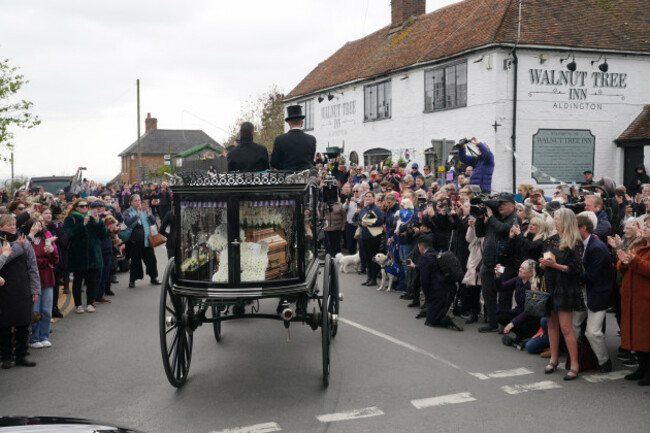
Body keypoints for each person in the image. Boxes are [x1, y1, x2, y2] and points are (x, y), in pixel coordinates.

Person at [539, 208, 584, 381]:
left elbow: (576, 269)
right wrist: (543, 265)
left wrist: (555, 265)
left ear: (566, 221)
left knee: (566, 327)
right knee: (551, 325)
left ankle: (574, 364)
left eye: (557, 219)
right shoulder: (550, 240)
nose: (555, 222)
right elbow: (542, 264)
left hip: (565, 287)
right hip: (550, 284)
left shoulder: (575, 242)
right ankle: (554, 359)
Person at [574, 214, 616, 373]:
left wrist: (568, 272)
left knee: (592, 332)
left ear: (583, 228)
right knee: (573, 325)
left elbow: (592, 276)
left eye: (574, 228)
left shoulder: (596, 247)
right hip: (587, 292)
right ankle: (580, 356)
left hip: (599, 294)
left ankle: (604, 361)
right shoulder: (583, 243)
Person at [475, 193, 520, 332]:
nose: (500, 206)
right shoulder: (494, 217)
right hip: (488, 261)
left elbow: (503, 229)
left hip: (502, 264)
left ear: (512, 205)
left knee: (504, 294)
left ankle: (503, 324)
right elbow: (479, 232)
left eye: (504, 204)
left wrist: (491, 217)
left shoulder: (514, 218)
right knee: (488, 293)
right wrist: (480, 217)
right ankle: (491, 321)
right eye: (499, 204)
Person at [0, 215, 40, 369]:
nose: (12, 227)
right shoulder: (20, 242)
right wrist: (17, 246)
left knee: (24, 322)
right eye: (8, 225)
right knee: (4, 325)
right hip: (4, 289)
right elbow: (4, 259)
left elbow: (32, 266)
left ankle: (21, 355)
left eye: (13, 224)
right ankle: (6, 357)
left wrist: (35, 289)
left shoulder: (23, 240)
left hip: (23, 287)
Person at [616, 216, 650, 386]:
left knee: (646, 337)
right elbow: (625, 265)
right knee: (638, 337)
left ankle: (648, 371)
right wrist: (624, 262)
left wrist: (634, 260)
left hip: (645, 300)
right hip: (634, 299)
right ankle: (642, 368)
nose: (644, 228)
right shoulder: (640, 246)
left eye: (648, 227)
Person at [407, 235, 463, 331]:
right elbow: (430, 269)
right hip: (449, 289)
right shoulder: (435, 254)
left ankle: (446, 320)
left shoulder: (425, 258)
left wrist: (427, 296)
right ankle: (438, 313)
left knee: (430, 321)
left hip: (439, 292)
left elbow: (424, 280)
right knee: (433, 311)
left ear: (421, 247)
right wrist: (415, 267)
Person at [64, 198, 107, 313]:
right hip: (78, 254)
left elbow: (103, 234)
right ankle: (78, 304)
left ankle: (90, 303)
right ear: (76, 207)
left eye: (86, 206)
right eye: (82, 206)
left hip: (94, 254)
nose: (84, 208)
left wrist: (98, 221)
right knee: (78, 281)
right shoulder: (70, 218)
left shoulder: (93, 217)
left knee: (92, 280)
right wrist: (83, 224)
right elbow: (69, 234)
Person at [25, 218, 58, 349]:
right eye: (35, 226)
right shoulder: (27, 241)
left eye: (40, 226)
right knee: (35, 309)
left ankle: (44, 336)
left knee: (46, 309)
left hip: (47, 277)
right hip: (33, 278)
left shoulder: (46, 239)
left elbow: (55, 260)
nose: (38, 228)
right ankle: (34, 337)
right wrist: (43, 260)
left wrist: (52, 251)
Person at [495, 259, 541, 346]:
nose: (520, 269)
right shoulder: (518, 279)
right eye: (520, 267)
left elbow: (530, 310)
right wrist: (498, 276)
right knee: (500, 315)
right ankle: (520, 336)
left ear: (530, 273)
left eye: (523, 268)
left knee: (522, 324)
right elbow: (501, 287)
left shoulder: (534, 286)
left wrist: (513, 323)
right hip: (519, 311)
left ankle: (525, 335)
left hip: (531, 316)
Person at [123, 194, 160, 288]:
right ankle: (132, 280)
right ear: (131, 203)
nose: (138, 202)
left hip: (147, 239)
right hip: (135, 241)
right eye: (135, 200)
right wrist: (137, 215)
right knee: (135, 261)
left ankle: (154, 277)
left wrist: (148, 213)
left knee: (151, 259)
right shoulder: (128, 211)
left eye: (139, 200)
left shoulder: (146, 209)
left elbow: (152, 222)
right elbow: (128, 223)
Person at [270, 105, 316, 171]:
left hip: (286, 177)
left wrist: (282, 168)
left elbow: (274, 162)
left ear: (289, 123)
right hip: (305, 178)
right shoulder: (311, 139)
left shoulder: (280, 139)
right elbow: (310, 161)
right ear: (302, 122)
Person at [356, 191, 384, 286]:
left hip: (373, 236)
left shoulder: (377, 209)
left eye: (369, 196)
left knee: (373, 257)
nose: (367, 198)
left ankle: (374, 278)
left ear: (373, 198)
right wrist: (361, 223)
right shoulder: (364, 208)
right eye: (366, 197)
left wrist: (369, 223)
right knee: (367, 257)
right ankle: (369, 277)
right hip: (364, 235)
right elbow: (359, 220)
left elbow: (381, 221)